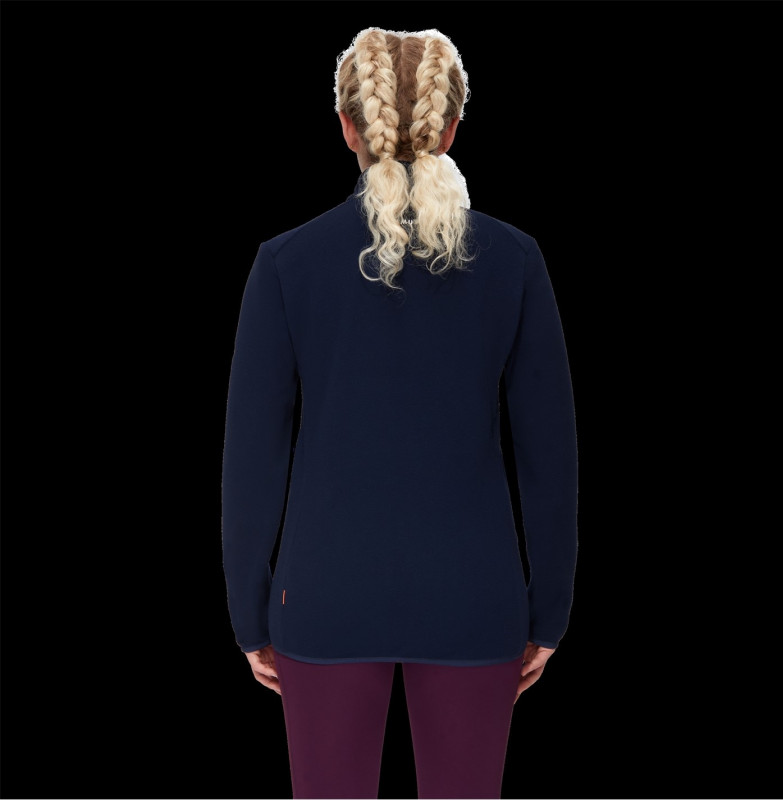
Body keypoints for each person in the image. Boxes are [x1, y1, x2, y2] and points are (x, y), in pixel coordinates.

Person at [221, 26, 578, 800]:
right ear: (451, 130)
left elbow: (252, 460)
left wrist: (250, 613)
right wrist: (548, 611)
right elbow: (550, 458)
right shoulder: (515, 261)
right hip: (475, 600)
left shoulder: (286, 264)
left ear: (347, 128)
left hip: (324, 599)